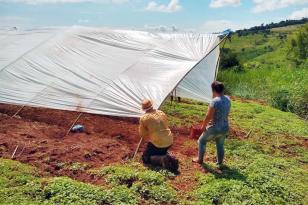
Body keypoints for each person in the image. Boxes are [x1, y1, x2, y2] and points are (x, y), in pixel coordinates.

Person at [193, 81, 231, 165]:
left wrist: (203, 127)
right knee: (220, 145)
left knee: (201, 141)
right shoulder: (228, 99)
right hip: (225, 127)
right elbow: (227, 114)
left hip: (215, 128)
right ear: (222, 89)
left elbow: (208, 116)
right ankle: (219, 163)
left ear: (213, 90)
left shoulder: (214, 101)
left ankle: (199, 160)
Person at [139, 99, 179, 172]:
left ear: (143, 109)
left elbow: (142, 134)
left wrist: (148, 130)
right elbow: (166, 124)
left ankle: (162, 159)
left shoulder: (144, 118)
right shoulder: (161, 112)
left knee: (145, 158)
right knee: (160, 150)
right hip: (169, 140)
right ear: (152, 105)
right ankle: (166, 155)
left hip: (159, 143)